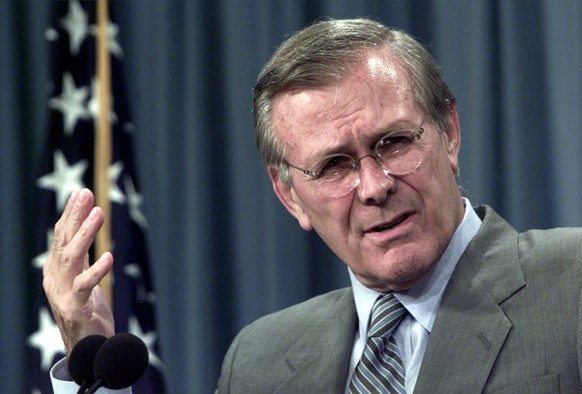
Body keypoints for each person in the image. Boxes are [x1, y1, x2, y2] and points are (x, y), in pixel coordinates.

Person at [45, 18, 582, 393]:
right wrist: (94, 371)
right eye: (333, 166)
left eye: (394, 142)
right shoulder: (258, 362)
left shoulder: (571, 286)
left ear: (449, 134)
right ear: (289, 196)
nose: (374, 185)